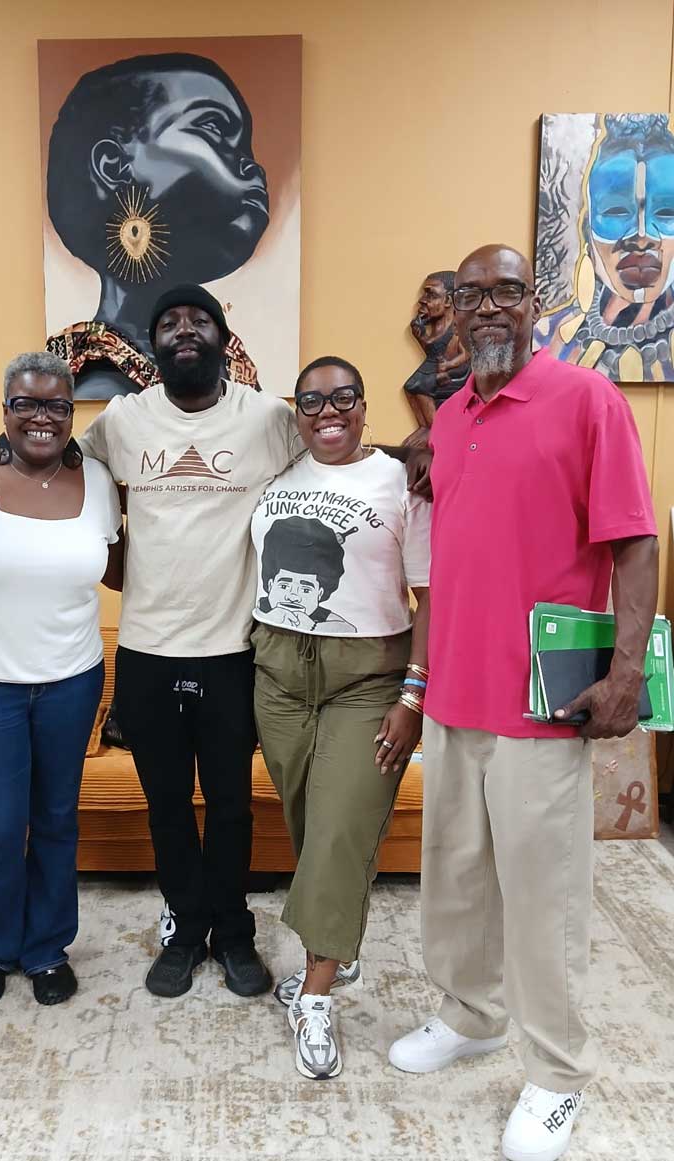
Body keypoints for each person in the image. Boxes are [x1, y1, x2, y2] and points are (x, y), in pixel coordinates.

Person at [388, 245, 658, 1161]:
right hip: (457, 697)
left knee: (544, 897)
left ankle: (556, 1070)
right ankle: (472, 1015)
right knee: (456, 879)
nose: (491, 307)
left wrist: (629, 674)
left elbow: (634, 544)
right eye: (474, 295)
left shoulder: (588, 401)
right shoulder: (454, 416)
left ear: (535, 300)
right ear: (455, 311)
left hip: (544, 704)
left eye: (508, 290)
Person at [77, 282, 295, 998]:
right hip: (146, 649)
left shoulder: (267, 417)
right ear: (153, 344)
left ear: (222, 334)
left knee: (232, 804)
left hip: (235, 650)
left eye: (198, 319)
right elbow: (61, 473)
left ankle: (234, 932)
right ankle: (186, 925)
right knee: (166, 803)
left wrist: (421, 442)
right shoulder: (122, 419)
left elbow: (338, 450)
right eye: (169, 322)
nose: (183, 330)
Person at [0, 352, 123, 1008]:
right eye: (27, 403)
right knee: (0, 822)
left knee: (58, 817)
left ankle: (46, 950)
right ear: (5, 409)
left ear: (72, 413)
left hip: (71, 680)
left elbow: (125, 572)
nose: (42, 416)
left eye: (57, 405)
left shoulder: (99, 480)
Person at [251, 355, 431, 1080]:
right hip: (278, 674)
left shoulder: (401, 481)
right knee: (306, 823)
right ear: (295, 411)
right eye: (312, 400)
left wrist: (414, 695)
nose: (328, 411)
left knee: (339, 829)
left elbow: (432, 594)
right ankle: (339, 949)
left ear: (364, 405)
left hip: (368, 678)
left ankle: (317, 994)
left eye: (344, 398)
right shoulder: (276, 474)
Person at [44, 53, 264, 398]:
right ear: (113, 165)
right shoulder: (87, 375)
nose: (251, 167)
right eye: (214, 127)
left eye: (246, 146)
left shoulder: (233, 365)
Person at [535, 113, 674, 380]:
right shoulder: (547, 337)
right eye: (616, 210)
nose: (642, 235)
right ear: (588, 229)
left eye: (666, 212)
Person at [402, 271, 471, 448]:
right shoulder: (436, 328)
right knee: (411, 386)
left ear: (449, 301)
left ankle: (437, 428)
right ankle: (425, 425)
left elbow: (466, 355)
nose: (423, 300)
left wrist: (448, 365)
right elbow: (432, 350)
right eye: (424, 294)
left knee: (421, 385)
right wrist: (420, 336)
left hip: (454, 368)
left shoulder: (457, 328)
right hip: (436, 364)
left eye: (431, 294)